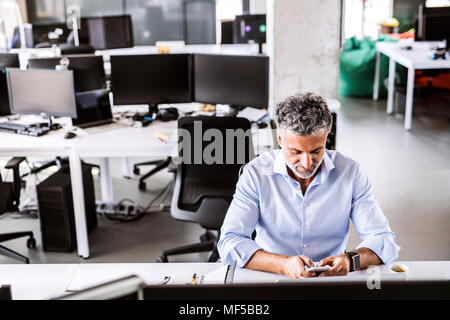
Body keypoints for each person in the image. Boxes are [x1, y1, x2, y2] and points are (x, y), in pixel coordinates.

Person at [217, 92, 400, 278]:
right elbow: (230, 241)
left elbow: (384, 239)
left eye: (316, 151)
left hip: (331, 281)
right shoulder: (255, 174)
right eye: (296, 151)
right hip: (272, 276)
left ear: (326, 137)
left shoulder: (350, 173)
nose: (306, 163)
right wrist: (283, 265)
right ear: (280, 140)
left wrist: (351, 260)